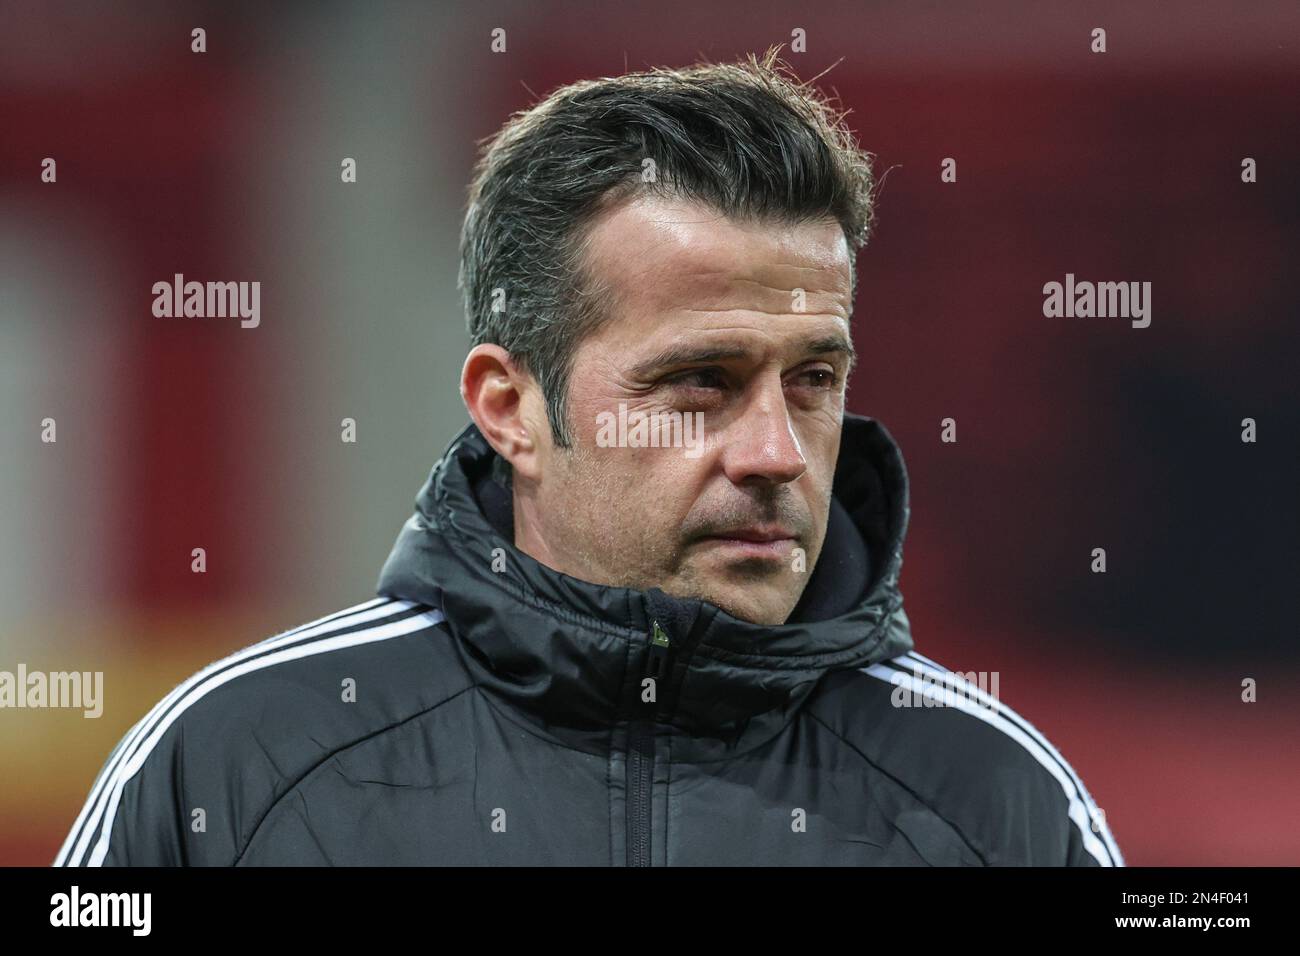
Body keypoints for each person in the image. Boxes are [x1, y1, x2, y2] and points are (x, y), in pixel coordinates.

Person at [55, 48, 1123, 867]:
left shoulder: (1000, 800)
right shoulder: (233, 767)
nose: (775, 454)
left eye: (812, 380)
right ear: (510, 406)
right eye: (697, 382)